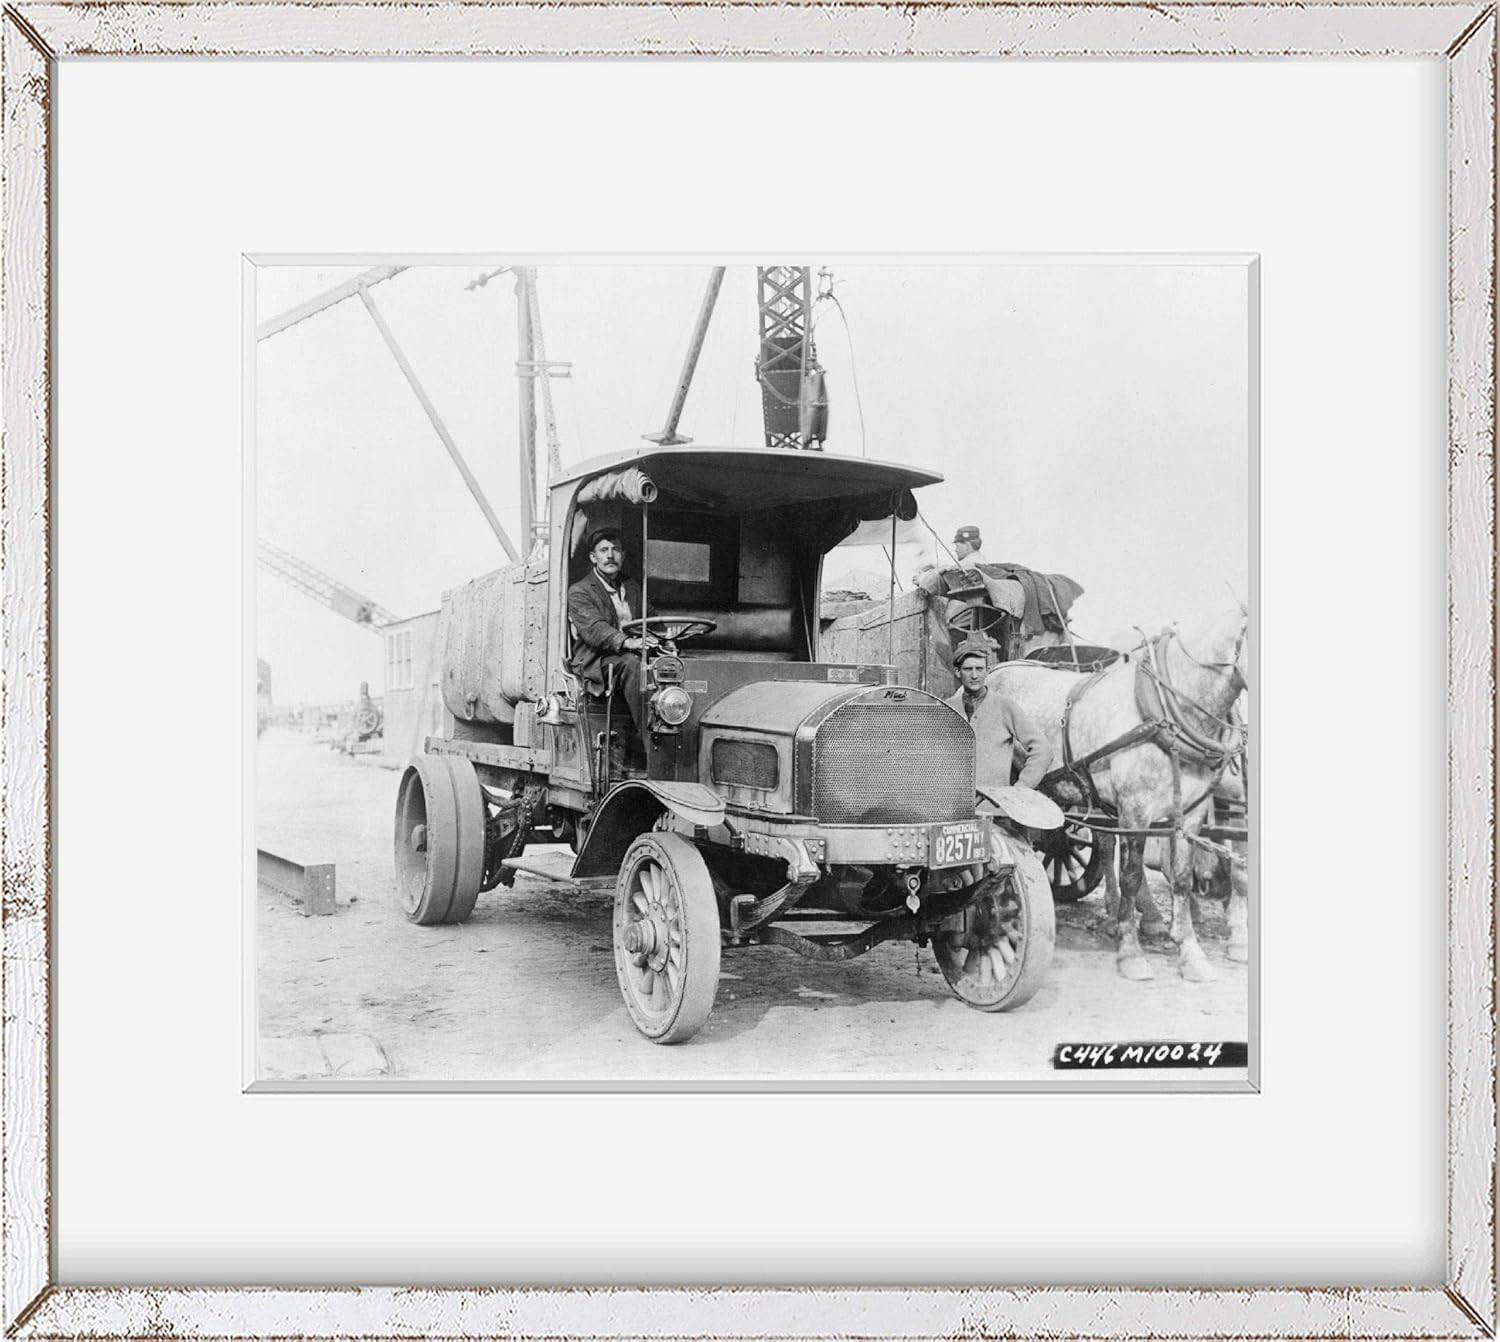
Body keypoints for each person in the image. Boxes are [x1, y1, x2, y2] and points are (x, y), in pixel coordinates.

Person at [566, 527, 650, 752]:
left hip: (630, 655)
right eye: (604, 550)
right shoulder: (580, 591)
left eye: (615, 550)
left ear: (623, 556)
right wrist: (626, 642)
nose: (610, 555)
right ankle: (651, 742)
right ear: (594, 557)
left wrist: (667, 636)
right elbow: (594, 629)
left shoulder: (632, 588)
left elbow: (651, 619)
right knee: (632, 666)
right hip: (595, 662)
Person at [945, 638, 1050, 790]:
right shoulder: (947, 708)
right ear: (957, 672)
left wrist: (1020, 790)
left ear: (987, 671)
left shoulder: (1005, 706)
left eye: (980, 669)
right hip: (954, 808)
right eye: (968, 669)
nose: (975, 675)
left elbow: (1043, 749)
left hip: (992, 809)